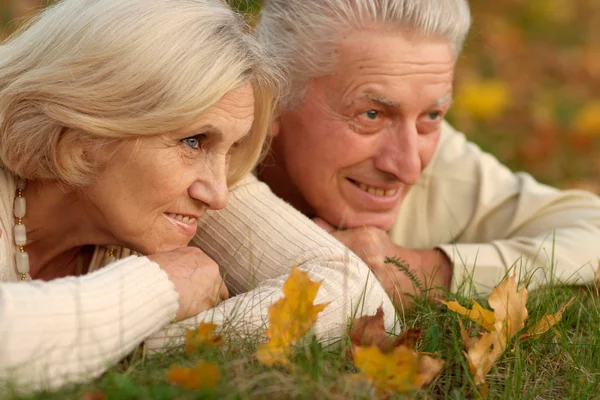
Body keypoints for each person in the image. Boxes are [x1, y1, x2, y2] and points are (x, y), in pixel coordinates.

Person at [0, 0, 397, 393]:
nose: (218, 194)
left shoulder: (185, 191)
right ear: (86, 132)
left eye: (233, 147)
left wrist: (148, 342)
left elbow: (353, 293)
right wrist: (159, 288)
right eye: (193, 141)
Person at [255, 0, 600, 305]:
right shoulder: (209, 144)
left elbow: (593, 232)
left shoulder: (446, 163)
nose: (409, 167)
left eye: (431, 116)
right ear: (271, 98)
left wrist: (428, 272)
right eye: (371, 114)